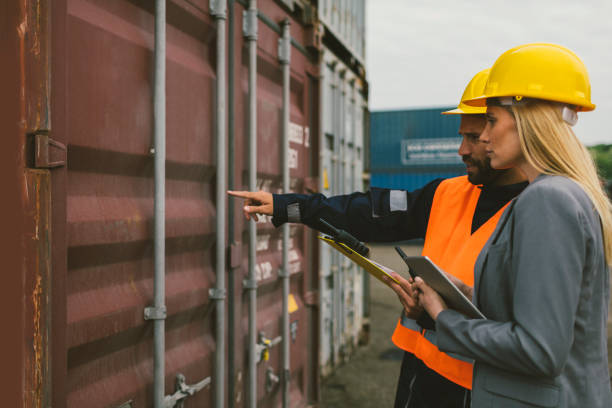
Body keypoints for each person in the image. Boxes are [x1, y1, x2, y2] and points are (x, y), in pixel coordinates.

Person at [228, 69, 528, 408]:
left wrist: (441, 313)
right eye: (464, 136)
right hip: (422, 373)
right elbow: (368, 212)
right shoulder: (447, 192)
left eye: (475, 136)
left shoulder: (541, 211)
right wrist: (288, 206)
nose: (462, 149)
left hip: (485, 386)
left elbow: (535, 331)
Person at [415, 43, 612, 408]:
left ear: (528, 117)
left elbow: (539, 351)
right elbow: (548, 317)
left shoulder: (547, 200)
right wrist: (465, 296)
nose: (483, 136)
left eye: (491, 120)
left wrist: (443, 318)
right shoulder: (566, 194)